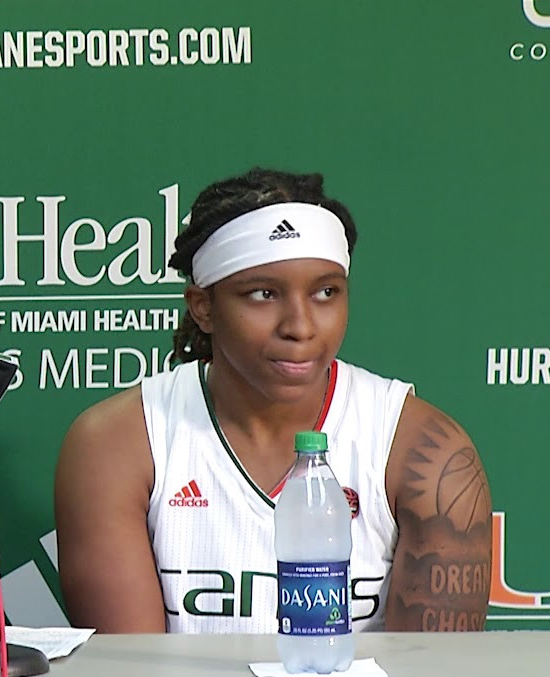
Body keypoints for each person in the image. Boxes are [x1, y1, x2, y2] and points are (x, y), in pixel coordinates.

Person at [55, 168, 491, 633]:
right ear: (203, 307)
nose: (300, 327)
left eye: (326, 292)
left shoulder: (427, 454)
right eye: (263, 294)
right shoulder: (117, 445)